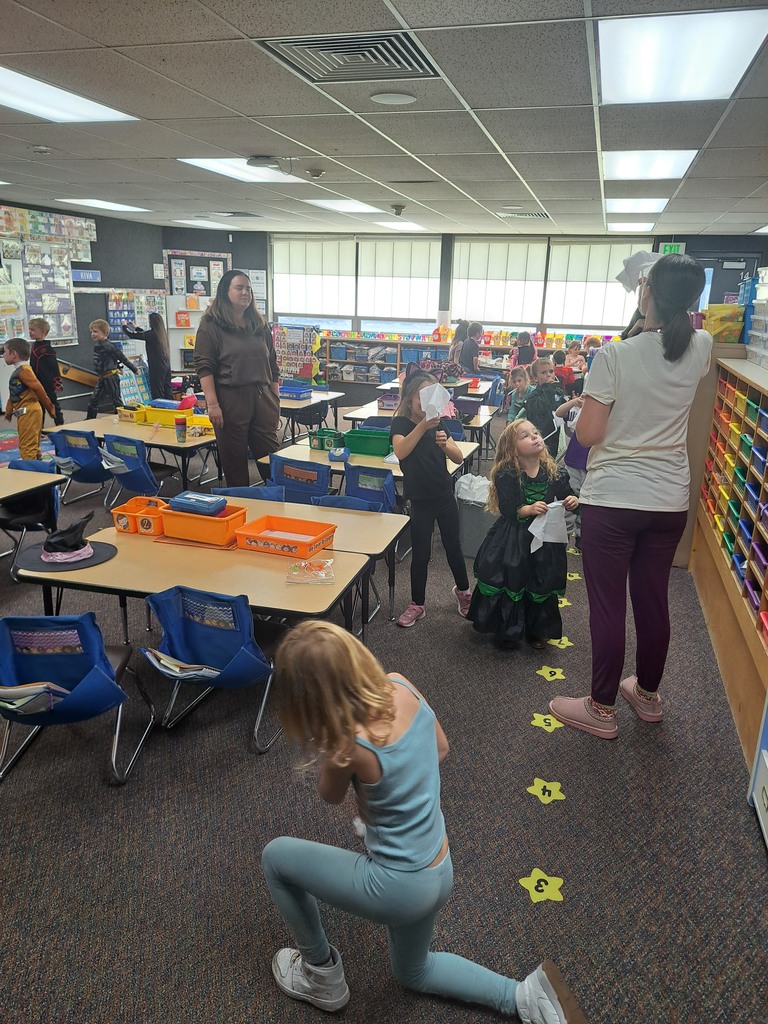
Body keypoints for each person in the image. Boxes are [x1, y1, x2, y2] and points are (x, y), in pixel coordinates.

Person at [261, 620, 587, 1022]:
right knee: (413, 972)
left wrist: (337, 750)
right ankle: (521, 997)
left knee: (276, 858)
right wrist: (389, 802)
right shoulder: (401, 684)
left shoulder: (348, 746)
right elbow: (441, 748)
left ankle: (320, 975)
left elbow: (329, 797)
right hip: (439, 866)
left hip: (396, 887)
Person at [549, 253, 712, 740]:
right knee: (652, 598)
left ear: (646, 295)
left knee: (606, 604)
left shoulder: (614, 355)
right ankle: (647, 695)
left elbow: (590, 435)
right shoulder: (701, 346)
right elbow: (676, 346)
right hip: (668, 501)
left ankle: (600, 708)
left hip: (614, 498)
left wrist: (579, 411)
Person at [468, 420, 577, 649]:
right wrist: (527, 509)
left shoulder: (554, 472)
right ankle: (508, 628)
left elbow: (567, 495)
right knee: (512, 577)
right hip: (514, 537)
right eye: (525, 436)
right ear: (512, 448)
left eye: (535, 433)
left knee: (540, 578)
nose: (535, 437)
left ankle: (538, 629)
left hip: (544, 537)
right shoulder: (508, 475)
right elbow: (508, 507)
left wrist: (571, 501)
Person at [390, 369, 472, 627]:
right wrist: (423, 425)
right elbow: (401, 451)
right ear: (409, 399)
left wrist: (445, 444)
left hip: (444, 495)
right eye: (419, 397)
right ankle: (417, 603)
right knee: (421, 554)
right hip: (420, 500)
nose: (423, 403)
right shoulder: (401, 424)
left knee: (453, 547)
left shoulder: (439, 424)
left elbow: (458, 458)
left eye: (429, 397)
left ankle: (463, 591)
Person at [194, 270, 281, 487]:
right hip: (230, 399)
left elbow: (272, 363)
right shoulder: (211, 325)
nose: (245, 293)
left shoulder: (259, 325)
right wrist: (212, 404)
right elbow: (205, 368)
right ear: (225, 291)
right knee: (235, 461)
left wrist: (275, 396)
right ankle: (240, 512)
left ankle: (279, 505)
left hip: (262, 397)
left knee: (271, 458)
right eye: (239, 288)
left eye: (248, 289)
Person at [3, 338, 56, 460]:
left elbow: (39, 389)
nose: (3, 354)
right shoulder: (19, 371)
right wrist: (9, 409)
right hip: (25, 411)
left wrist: (50, 407)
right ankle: (37, 467)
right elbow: (16, 391)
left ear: (14, 353)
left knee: (27, 447)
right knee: (30, 443)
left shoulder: (25, 371)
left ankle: (31, 474)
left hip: (30, 411)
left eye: (5, 351)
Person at [518, 358, 581, 459]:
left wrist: (571, 403)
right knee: (538, 459)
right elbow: (542, 407)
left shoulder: (557, 391)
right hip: (539, 434)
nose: (549, 375)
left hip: (554, 433)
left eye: (551, 371)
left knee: (551, 457)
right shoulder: (533, 396)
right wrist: (548, 388)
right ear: (535, 378)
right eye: (544, 372)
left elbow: (561, 409)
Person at [86, 319, 139, 420]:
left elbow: (121, 357)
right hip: (103, 377)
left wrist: (134, 369)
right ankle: (89, 419)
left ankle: (124, 419)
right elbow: (114, 359)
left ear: (105, 333)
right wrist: (119, 366)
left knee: (116, 401)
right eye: (91, 332)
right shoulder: (98, 345)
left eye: (96, 332)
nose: (93, 334)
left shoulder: (109, 346)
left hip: (111, 377)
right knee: (94, 400)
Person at [122, 312, 172, 400]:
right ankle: (171, 409)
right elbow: (144, 334)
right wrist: (136, 327)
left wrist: (124, 326)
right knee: (167, 389)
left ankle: (159, 410)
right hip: (166, 366)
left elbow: (132, 335)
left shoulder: (151, 334)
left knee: (157, 391)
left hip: (157, 367)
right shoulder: (162, 334)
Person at [28, 317, 64, 425]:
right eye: (30, 330)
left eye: (33, 330)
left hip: (47, 382)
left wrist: (57, 382)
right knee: (39, 406)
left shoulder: (47, 349)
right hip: (37, 381)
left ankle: (60, 424)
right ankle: (40, 427)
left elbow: (54, 366)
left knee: (52, 403)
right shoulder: (34, 345)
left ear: (43, 332)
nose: (30, 332)